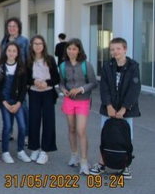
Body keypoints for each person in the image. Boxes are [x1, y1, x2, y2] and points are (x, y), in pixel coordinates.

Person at [90, 37, 141, 180]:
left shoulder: (133, 66)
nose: (115, 51)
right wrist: (109, 106)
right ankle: (102, 163)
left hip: (127, 109)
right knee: (106, 133)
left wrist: (124, 109)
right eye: (112, 49)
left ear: (125, 49)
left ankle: (126, 166)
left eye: (118, 48)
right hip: (109, 108)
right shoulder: (107, 66)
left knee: (126, 136)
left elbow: (134, 89)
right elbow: (104, 88)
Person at [58, 38, 97, 175]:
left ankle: (84, 162)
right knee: (72, 129)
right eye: (69, 48)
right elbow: (61, 83)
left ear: (79, 50)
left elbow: (93, 83)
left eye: (74, 49)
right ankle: (74, 155)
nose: (71, 51)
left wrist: (80, 89)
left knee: (81, 130)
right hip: (69, 100)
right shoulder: (63, 66)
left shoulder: (87, 65)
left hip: (83, 100)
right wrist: (63, 89)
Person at [0, 42, 31, 164]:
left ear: (17, 53)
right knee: (7, 126)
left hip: (17, 102)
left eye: (14, 51)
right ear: (5, 52)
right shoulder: (0, 67)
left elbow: (23, 88)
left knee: (22, 126)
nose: (11, 53)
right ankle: (5, 151)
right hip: (5, 101)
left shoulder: (21, 68)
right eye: (9, 50)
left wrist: (18, 103)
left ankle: (20, 150)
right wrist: (4, 102)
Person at [27, 35, 59, 165]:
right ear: (32, 45)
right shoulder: (28, 60)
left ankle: (45, 151)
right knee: (33, 120)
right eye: (35, 43)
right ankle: (34, 148)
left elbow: (57, 78)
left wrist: (47, 83)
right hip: (34, 93)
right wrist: (33, 81)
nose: (37, 46)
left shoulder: (50, 59)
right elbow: (25, 78)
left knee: (48, 121)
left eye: (40, 43)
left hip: (48, 93)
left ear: (44, 45)